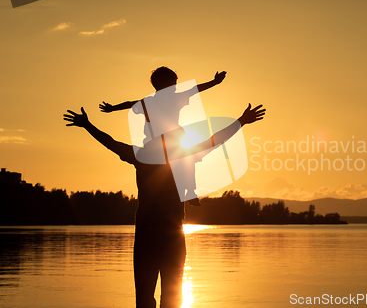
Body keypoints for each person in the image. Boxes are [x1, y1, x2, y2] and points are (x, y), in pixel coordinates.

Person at [63, 103, 265, 308]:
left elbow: (110, 142)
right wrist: (241, 121)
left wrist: (87, 125)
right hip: (170, 235)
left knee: (146, 296)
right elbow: (214, 141)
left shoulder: (141, 157)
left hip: (150, 234)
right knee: (170, 296)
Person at [99, 67, 227, 206]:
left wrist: (113, 108)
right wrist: (214, 82)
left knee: (186, 157)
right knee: (187, 157)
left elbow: (130, 104)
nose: (176, 86)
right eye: (174, 82)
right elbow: (195, 90)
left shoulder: (148, 102)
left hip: (158, 143)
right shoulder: (173, 98)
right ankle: (190, 191)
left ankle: (189, 192)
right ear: (165, 84)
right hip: (162, 143)